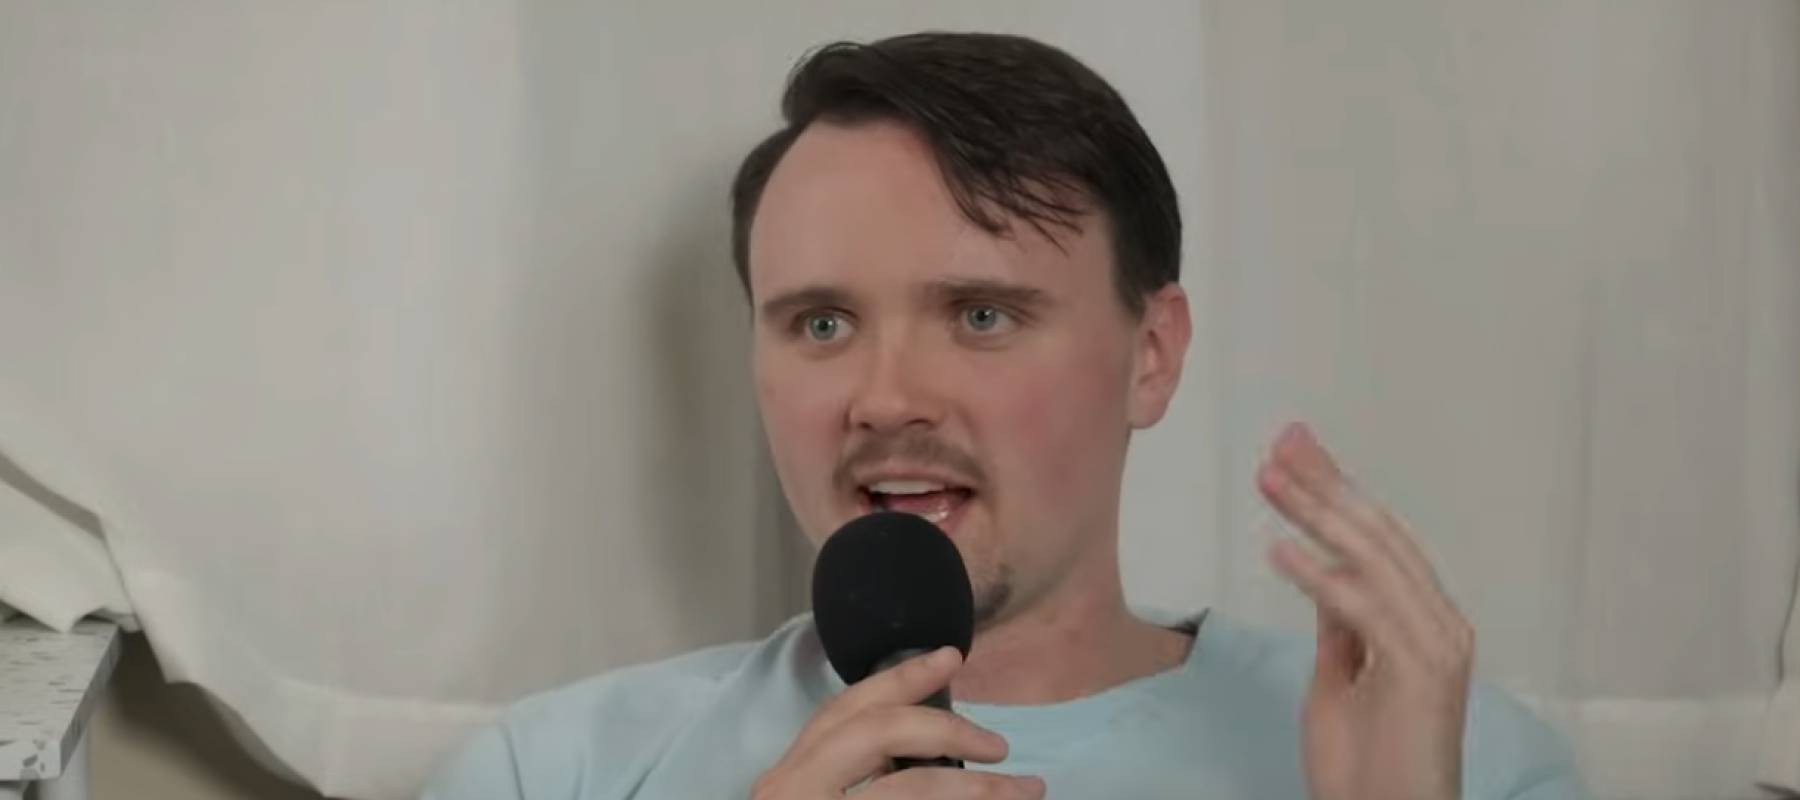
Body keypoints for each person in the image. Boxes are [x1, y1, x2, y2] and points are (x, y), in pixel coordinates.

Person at [423, 32, 1585, 799]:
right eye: (821, 322)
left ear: (1152, 354)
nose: (886, 396)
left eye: (980, 314)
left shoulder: (1447, 752)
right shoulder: (553, 771)